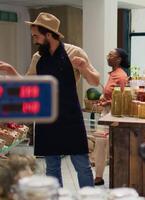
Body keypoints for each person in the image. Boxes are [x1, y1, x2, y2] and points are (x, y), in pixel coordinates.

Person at [0, 12, 100, 187]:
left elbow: (95, 80)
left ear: (48, 34)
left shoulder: (74, 52)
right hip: (47, 118)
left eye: (36, 35)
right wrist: (10, 71)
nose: (35, 40)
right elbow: (29, 85)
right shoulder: (37, 58)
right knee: (52, 168)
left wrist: (84, 68)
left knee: (82, 166)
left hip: (71, 117)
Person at [93, 48, 129, 186]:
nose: (107, 57)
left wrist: (105, 102)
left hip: (113, 116)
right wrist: (104, 100)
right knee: (100, 145)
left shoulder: (121, 76)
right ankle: (98, 176)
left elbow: (122, 98)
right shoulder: (113, 74)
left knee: (108, 147)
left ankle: (115, 178)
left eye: (111, 55)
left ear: (118, 59)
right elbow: (111, 94)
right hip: (106, 113)